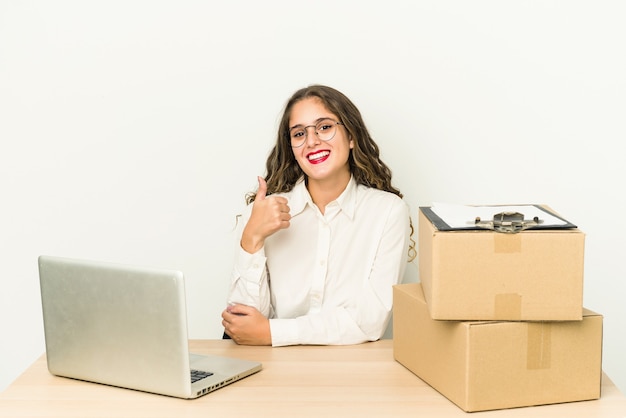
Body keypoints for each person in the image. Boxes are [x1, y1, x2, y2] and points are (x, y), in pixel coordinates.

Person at [221, 84, 415, 346]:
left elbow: (370, 321)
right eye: (299, 133)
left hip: (353, 372)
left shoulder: (388, 212)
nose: (312, 141)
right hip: (273, 370)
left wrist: (273, 333)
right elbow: (243, 325)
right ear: (291, 147)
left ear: (351, 137)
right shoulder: (263, 212)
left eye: (325, 127)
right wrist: (252, 239)